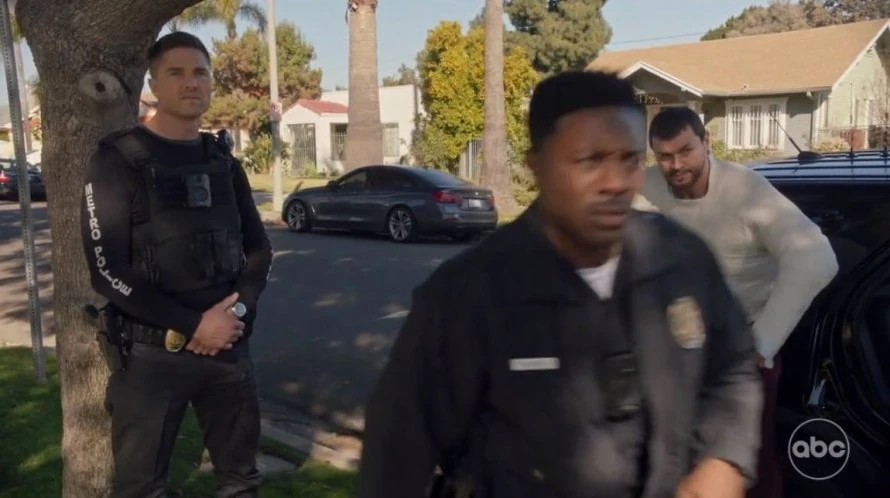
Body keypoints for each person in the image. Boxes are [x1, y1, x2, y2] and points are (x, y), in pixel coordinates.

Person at [358, 71, 763, 498]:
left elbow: (731, 368)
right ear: (537, 166)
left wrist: (722, 463)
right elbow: (396, 452)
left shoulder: (681, 260)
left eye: (629, 160)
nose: (616, 182)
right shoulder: (470, 294)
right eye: (590, 160)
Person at [80, 32, 273, 498]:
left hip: (227, 349)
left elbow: (259, 249)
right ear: (154, 84)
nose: (191, 83)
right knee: (142, 488)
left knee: (240, 482)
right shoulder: (117, 160)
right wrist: (194, 325)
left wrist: (237, 313)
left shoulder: (223, 161)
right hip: (151, 357)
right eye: (177, 73)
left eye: (200, 72)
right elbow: (106, 269)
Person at [635, 107, 839, 498]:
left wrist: (762, 345)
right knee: (677, 464)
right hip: (674, 355)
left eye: (686, 151)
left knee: (748, 468)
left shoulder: (746, 189)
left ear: (706, 142)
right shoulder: (647, 186)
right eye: (665, 156)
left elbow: (816, 259)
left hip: (741, 354)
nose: (676, 165)